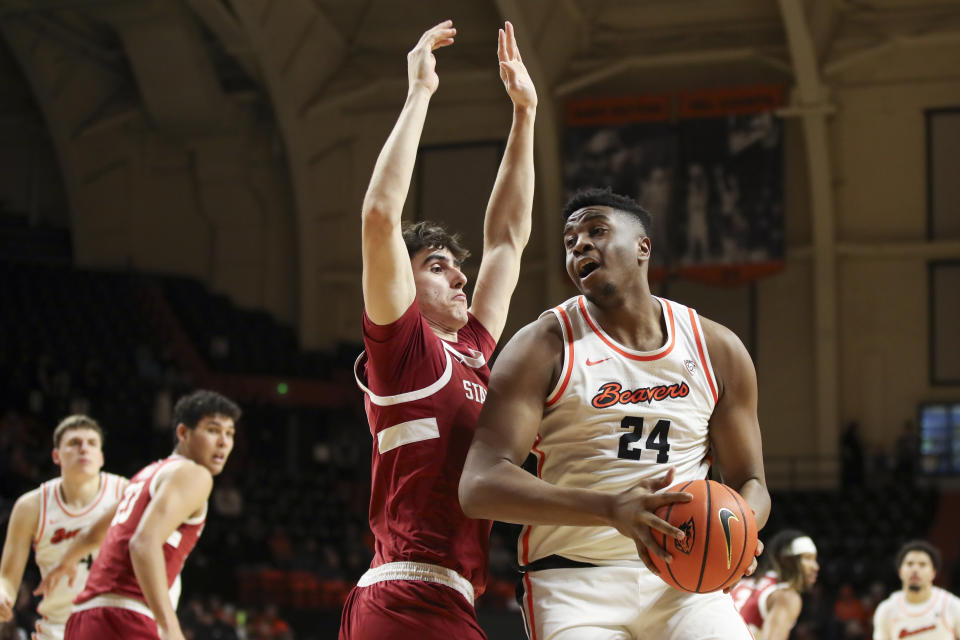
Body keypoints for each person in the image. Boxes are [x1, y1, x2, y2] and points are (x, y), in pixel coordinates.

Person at [459, 187, 770, 639]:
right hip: (572, 580)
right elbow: (479, 484)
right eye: (570, 241)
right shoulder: (540, 345)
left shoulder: (717, 349)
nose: (579, 244)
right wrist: (610, 509)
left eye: (596, 230)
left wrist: (741, 526)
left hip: (683, 581)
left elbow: (753, 482)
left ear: (643, 247)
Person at [338, 18, 537, 640]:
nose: (458, 279)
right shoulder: (403, 350)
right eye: (436, 266)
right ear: (406, 281)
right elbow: (379, 214)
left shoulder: (475, 347)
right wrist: (420, 93)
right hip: (405, 594)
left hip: (448, 597)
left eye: (458, 267)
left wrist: (525, 116)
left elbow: (506, 240)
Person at [50, 390, 241, 640]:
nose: (224, 442)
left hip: (84, 618)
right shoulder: (194, 474)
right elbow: (142, 543)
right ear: (183, 433)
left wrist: (63, 564)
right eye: (214, 430)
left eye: (230, 434)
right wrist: (169, 626)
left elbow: (91, 534)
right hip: (127, 617)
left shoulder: (146, 475)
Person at [0, 415, 127, 640]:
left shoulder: (125, 493)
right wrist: (2, 594)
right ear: (56, 456)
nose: (83, 449)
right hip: (60, 626)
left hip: (116, 623)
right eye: (74, 443)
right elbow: (8, 577)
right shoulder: (31, 506)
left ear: (101, 457)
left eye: (91, 443)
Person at [732, 529, 819, 640]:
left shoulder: (741, 582)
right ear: (786, 560)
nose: (815, 567)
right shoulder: (786, 596)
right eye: (807, 558)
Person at [872, 540, 960, 640]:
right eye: (910, 564)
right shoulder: (887, 610)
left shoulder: (952, 605)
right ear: (900, 571)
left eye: (922, 564)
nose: (915, 569)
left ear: (933, 573)